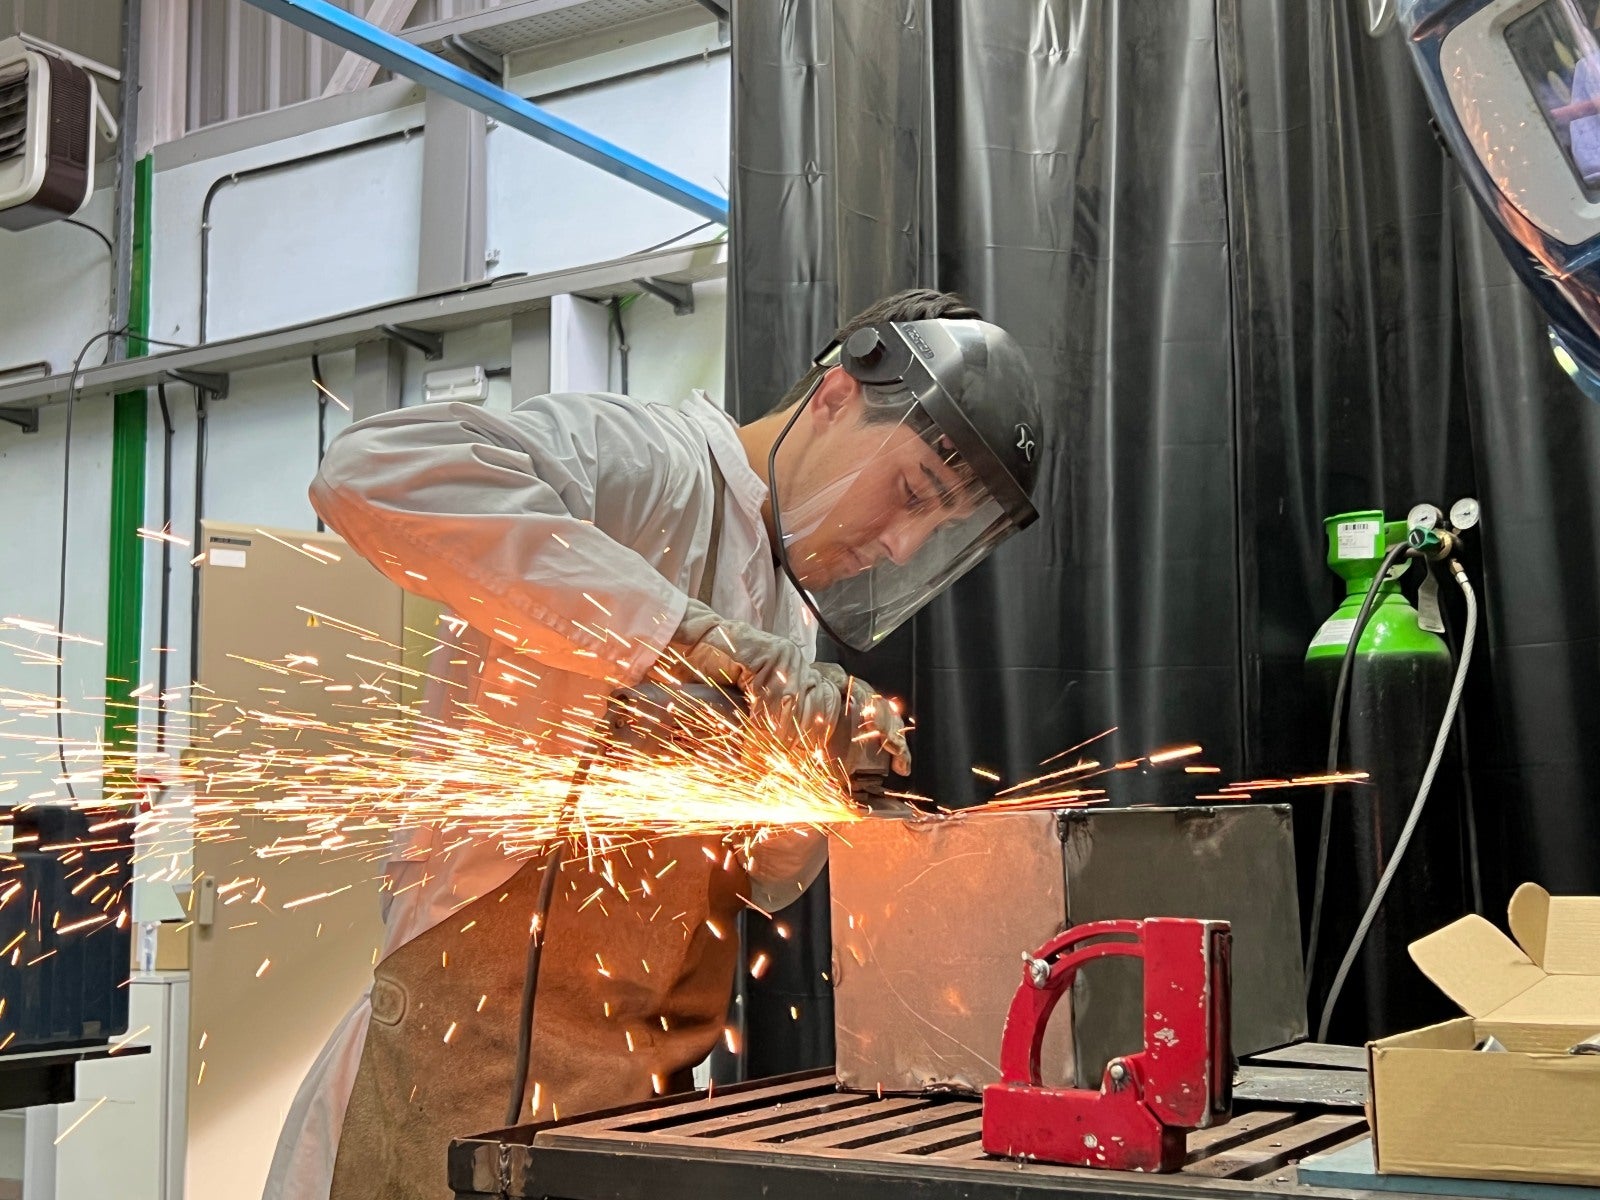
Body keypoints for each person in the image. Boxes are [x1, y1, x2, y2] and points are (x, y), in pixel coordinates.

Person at [262, 289, 1044, 1200]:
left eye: (937, 530)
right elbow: (374, 469)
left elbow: (757, 879)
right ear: (835, 394)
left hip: (634, 1100)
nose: (902, 543)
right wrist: (685, 630)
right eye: (911, 492)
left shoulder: (788, 618)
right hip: (459, 1073)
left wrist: (821, 783)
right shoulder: (655, 464)